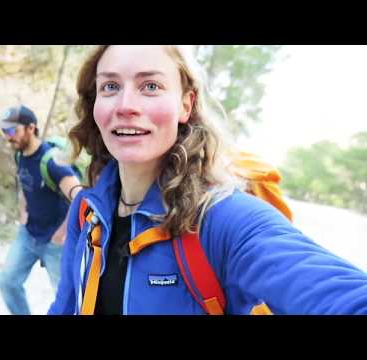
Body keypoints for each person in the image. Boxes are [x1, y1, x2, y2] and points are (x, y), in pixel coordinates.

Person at [48, 45, 367, 315]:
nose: (125, 105)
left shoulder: (223, 218)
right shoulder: (87, 210)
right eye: (110, 86)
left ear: (185, 104)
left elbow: (342, 296)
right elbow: (65, 305)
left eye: (150, 86)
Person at [0, 105, 83, 315]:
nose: (8, 137)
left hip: (55, 242)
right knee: (7, 282)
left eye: (12, 131)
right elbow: (25, 184)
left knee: (66, 300)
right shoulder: (20, 156)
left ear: (30, 128)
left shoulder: (52, 160)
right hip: (29, 235)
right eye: (4, 132)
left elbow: (80, 198)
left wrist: (62, 233)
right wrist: (23, 214)